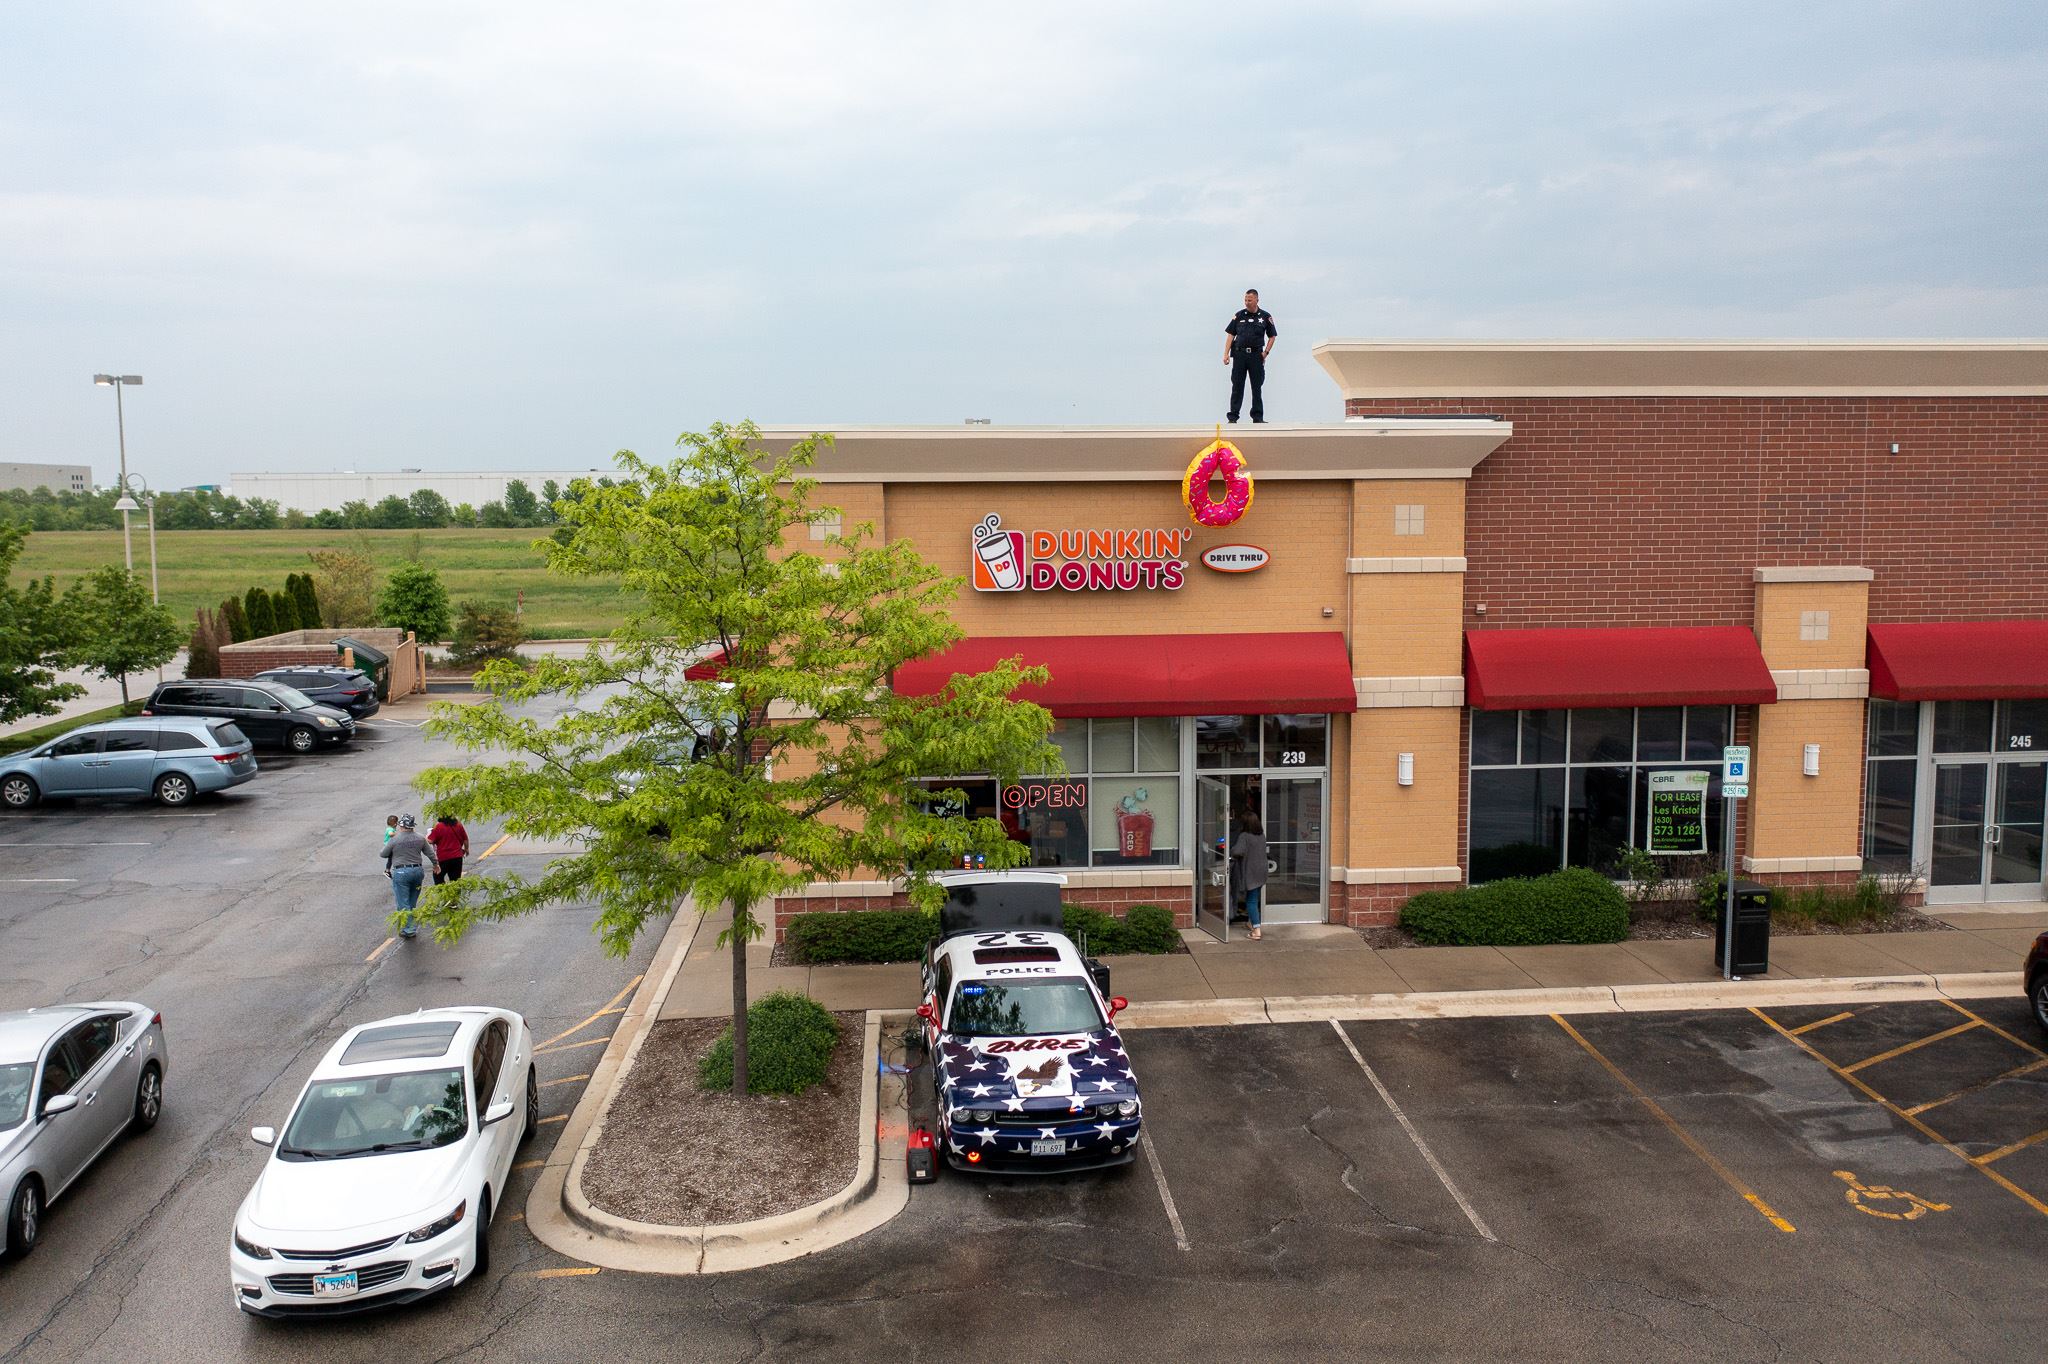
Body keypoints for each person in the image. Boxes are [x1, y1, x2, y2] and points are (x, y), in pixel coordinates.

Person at [1224, 288, 1277, 424]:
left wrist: (1266, 352)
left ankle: (1257, 417)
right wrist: (1226, 354)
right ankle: (1233, 417)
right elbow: (1231, 335)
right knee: (1237, 386)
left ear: (1257, 300)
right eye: (1245, 300)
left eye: (1250, 300)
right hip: (1240, 354)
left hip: (1256, 356)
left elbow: (1272, 336)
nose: (1247, 303)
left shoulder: (1265, 316)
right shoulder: (1239, 315)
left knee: (1256, 386)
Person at [380, 814, 437, 939]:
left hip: (401, 873)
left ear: (401, 826)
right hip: (417, 871)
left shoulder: (395, 839)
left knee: (403, 902)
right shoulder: (420, 838)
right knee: (412, 901)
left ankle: (409, 929)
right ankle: (410, 925)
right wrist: (436, 865)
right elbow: (430, 853)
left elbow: (383, 854)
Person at [1232, 810, 1268, 941]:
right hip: (1262, 871)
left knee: (1251, 901)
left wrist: (1231, 851)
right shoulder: (1261, 836)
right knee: (1254, 897)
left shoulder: (1244, 836)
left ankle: (1256, 930)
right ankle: (1251, 922)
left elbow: (1237, 851)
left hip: (1251, 872)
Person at [427, 813, 470, 885]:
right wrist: (466, 849)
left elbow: (430, 841)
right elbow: (465, 839)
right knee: (455, 880)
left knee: (438, 877)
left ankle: (443, 893)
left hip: (443, 858)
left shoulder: (439, 826)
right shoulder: (458, 825)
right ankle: (455, 895)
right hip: (457, 857)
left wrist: (427, 836)